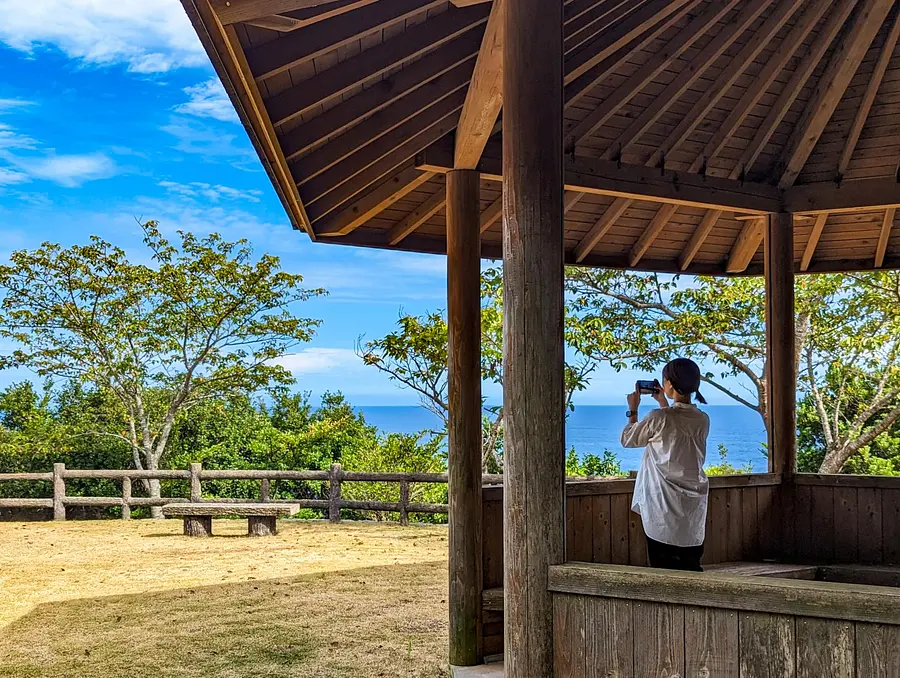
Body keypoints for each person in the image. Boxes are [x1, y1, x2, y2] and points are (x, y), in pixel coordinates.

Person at [622, 358, 710, 571]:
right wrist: (664, 403)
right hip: (692, 508)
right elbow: (674, 427)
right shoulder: (702, 419)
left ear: (669, 383)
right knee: (691, 568)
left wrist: (633, 410)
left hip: (662, 505)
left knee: (663, 571)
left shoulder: (658, 417)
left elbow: (628, 439)